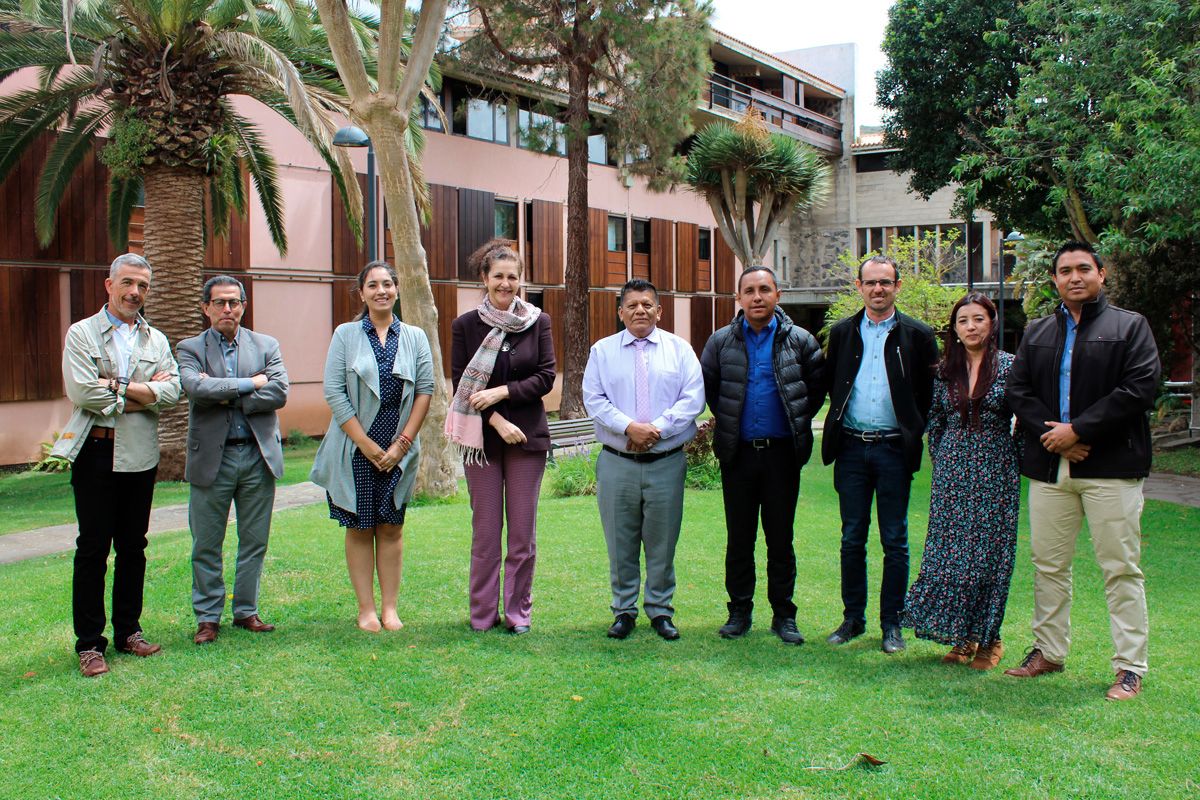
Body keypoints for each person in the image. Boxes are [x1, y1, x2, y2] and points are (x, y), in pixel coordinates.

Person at [1004, 241, 1160, 701]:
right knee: (1049, 565)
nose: (1075, 277)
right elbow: (1018, 390)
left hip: (1111, 467)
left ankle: (1129, 666)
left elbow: (1140, 388)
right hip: (1051, 468)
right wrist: (1054, 436)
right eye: (1065, 270)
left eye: (1084, 269)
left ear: (1101, 274)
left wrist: (1078, 430)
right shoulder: (1038, 331)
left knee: (1120, 569)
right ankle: (1049, 652)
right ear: (1054, 279)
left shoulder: (1129, 326)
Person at [51, 253, 182, 677]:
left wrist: (117, 384)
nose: (134, 292)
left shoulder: (155, 340)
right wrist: (143, 394)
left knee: (133, 546)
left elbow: (174, 392)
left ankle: (129, 632)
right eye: (127, 283)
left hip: (140, 454)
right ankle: (90, 644)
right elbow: (83, 392)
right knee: (92, 547)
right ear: (109, 285)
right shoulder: (82, 333)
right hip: (95, 451)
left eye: (142, 286)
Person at [701, 266, 826, 645]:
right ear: (738, 297)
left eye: (765, 289)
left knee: (780, 540)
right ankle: (739, 611)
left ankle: (784, 614)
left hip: (782, 456)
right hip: (738, 456)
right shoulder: (720, 342)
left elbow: (814, 392)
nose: (757, 297)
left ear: (777, 294)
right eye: (750, 290)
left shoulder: (801, 341)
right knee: (739, 539)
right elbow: (712, 391)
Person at [822, 254, 939, 654]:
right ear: (859, 286)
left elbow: (929, 394)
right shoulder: (843, 332)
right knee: (852, 537)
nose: (878, 289)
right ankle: (853, 619)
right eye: (870, 282)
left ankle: (892, 624)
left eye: (885, 282)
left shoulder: (918, 335)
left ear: (897, 286)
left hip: (893, 449)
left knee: (895, 540)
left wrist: (914, 430)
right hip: (852, 448)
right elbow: (831, 383)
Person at [311, 261, 434, 633]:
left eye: (387, 284)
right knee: (360, 528)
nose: (381, 291)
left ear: (396, 289)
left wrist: (402, 444)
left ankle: (390, 608)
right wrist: (365, 444)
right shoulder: (345, 335)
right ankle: (366, 609)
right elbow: (334, 392)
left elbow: (425, 391)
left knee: (392, 527)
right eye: (373, 285)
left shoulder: (414, 336)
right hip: (355, 450)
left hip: (398, 452)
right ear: (362, 293)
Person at [900, 293, 1020, 669]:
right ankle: (962, 637)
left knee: (989, 558)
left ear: (992, 323)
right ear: (954, 328)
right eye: (963, 320)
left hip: (996, 471)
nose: (971, 326)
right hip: (952, 473)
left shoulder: (1011, 367)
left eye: (978, 319)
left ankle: (990, 640)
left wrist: (1011, 458)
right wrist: (943, 458)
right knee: (952, 557)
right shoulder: (945, 371)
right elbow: (935, 419)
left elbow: (1023, 417)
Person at [583, 279, 705, 640]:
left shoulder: (680, 350)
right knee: (619, 542)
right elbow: (594, 399)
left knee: (662, 542)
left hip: (665, 461)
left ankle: (660, 610)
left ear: (659, 311)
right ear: (620, 312)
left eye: (647, 305)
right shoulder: (602, 352)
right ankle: (623, 610)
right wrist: (629, 427)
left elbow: (692, 399)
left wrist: (656, 429)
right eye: (632, 305)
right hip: (617, 462)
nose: (640, 310)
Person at [448, 240, 555, 634]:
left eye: (512, 276)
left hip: (527, 439)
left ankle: (517, 614)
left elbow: (545, 376)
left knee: (522, 535)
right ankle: (482, 615)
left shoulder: (538, 322)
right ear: (485, 278)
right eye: (498, 276)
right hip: (482, 442)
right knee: (486, 534)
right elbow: (461, 384)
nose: (505, 283)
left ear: (520, 279)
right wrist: (495, 419)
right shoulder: (465, 326)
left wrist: (501, 392)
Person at [177, 275, 290, 645]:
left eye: (234, 302)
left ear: (243, 305)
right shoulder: (190, 348)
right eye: (220, 303)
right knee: (206, 543)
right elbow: (195, 388)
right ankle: (208, 618)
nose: (228, 309)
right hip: (213, 458)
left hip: (258, 456)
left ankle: (246, 611)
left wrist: (223, 392)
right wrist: (251, 383)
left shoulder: (266, 345)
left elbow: (279, 392)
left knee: (254, 540)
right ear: (205, 307)